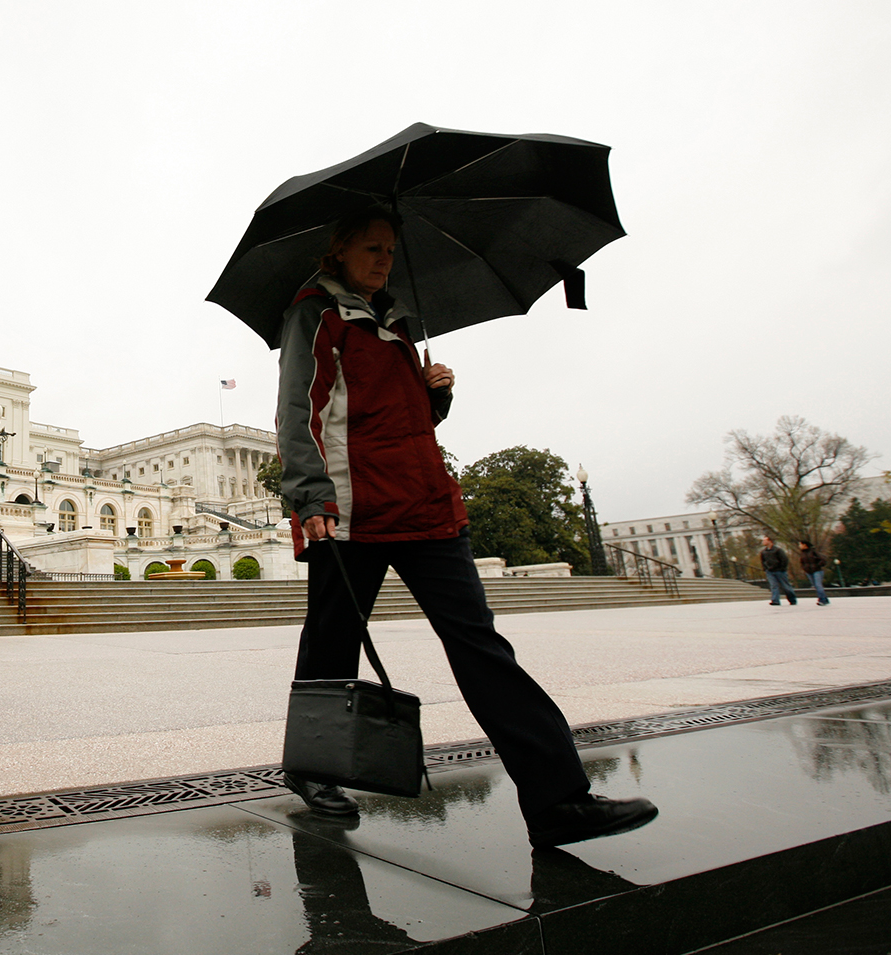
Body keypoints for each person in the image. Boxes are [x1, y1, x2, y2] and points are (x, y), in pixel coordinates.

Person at [274, 205, 656, 848]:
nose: (383, 260)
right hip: (352, 513)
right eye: (371, 247)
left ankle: (559, 800)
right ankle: (312, 770)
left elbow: (407, 424)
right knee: (332, 646)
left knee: (483, 650)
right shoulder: (316, 313)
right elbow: (297, 410)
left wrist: (435, 395)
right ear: (338, 249)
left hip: (427, 505)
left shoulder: (396, 321)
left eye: (390, 251)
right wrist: (309, 496)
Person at [760, 536, 798, 606]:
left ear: (769, 541)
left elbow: (784, 559)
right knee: (774, 586)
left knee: (785, 586)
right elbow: (763, 561)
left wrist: (782, 568)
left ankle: (792, 599)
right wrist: (765, 568)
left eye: (765, 540)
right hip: (770, 571)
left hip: (779, 571)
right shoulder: (764, 552)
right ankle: (775, 600)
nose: (763, 542)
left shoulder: (777, 550)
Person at [797, 540, 830, 606]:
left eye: (800, 544)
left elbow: (823, 559)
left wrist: (817, 565)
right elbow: (802, 562)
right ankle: (825, 599)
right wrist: (804, 568)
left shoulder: (813, 551)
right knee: (815, 586)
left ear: (805, 545)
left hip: (817, 570)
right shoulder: (802, 553)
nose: (799, 546)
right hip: (809, 571)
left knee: (818, 585)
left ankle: (822, 600)